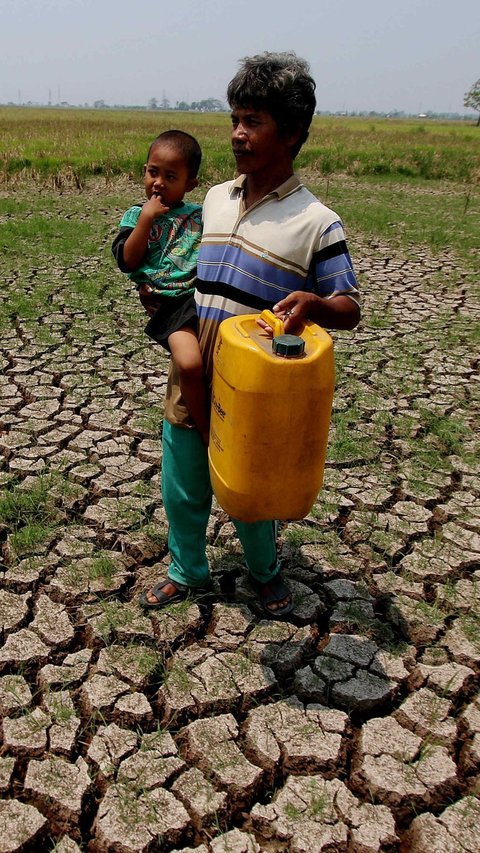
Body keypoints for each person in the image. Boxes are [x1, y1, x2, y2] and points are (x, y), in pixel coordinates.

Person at [140, 52, 360, 616]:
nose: (238, 134)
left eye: (253, 121)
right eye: (234, 119)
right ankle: (187, 569)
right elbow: (178, 266)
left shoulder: (317, 222)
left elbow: (348, 306)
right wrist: (158, 293)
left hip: (257, 384)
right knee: (184, 480)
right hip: (194, 365)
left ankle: (264, 570)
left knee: (249, 487)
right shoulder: (214, 198)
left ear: (291, 133)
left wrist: (314, 304)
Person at [112, 130, 209, 446]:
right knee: (191, 364)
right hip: (170, 306)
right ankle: (206, 427)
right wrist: (145, 220)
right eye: (153, 172)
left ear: (189, 184)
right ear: (144, 171)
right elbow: (127, 260)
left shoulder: (198, 216)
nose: (159, 183)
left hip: (200, 298)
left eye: (171, 176)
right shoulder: (135, 215)